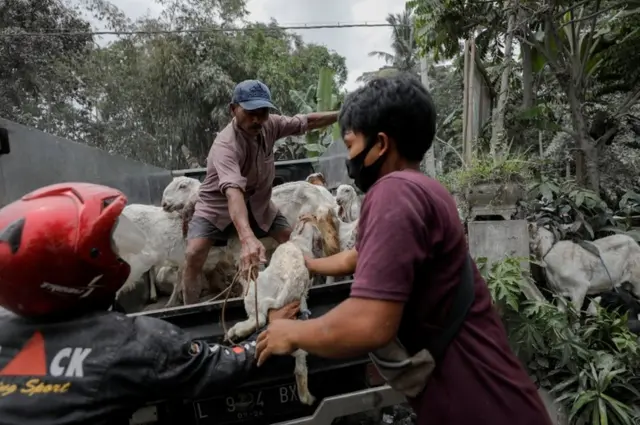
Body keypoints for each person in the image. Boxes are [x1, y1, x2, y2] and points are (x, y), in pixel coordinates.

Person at [255, 74, 553, 425]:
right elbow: (359, 257)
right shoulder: (423, 188)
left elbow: (370, 323)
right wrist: (307, 263)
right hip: (495, 398)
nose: (349, 158)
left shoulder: (392, 193)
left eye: (350, 144)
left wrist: (292, 333)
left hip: (482, 404)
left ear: (381, 144)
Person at [0, 182, 299, 424]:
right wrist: (269, 333)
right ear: (73, 269)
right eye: (108, 246)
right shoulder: (131, 342)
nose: (117, 252)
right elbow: (220, 365)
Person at [182, 79, 339, 304]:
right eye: (250, 112)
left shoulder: (271, 125)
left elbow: (305, 122)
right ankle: (189, 310)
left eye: (262, 112)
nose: (257, 119)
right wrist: (247, 239)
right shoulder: (225, 145)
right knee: (193, 254)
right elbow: (233, 192)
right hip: (217, 208)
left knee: (294, 242)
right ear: (233, 109)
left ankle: (304, 297)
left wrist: (342, 114)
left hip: (260, 206)